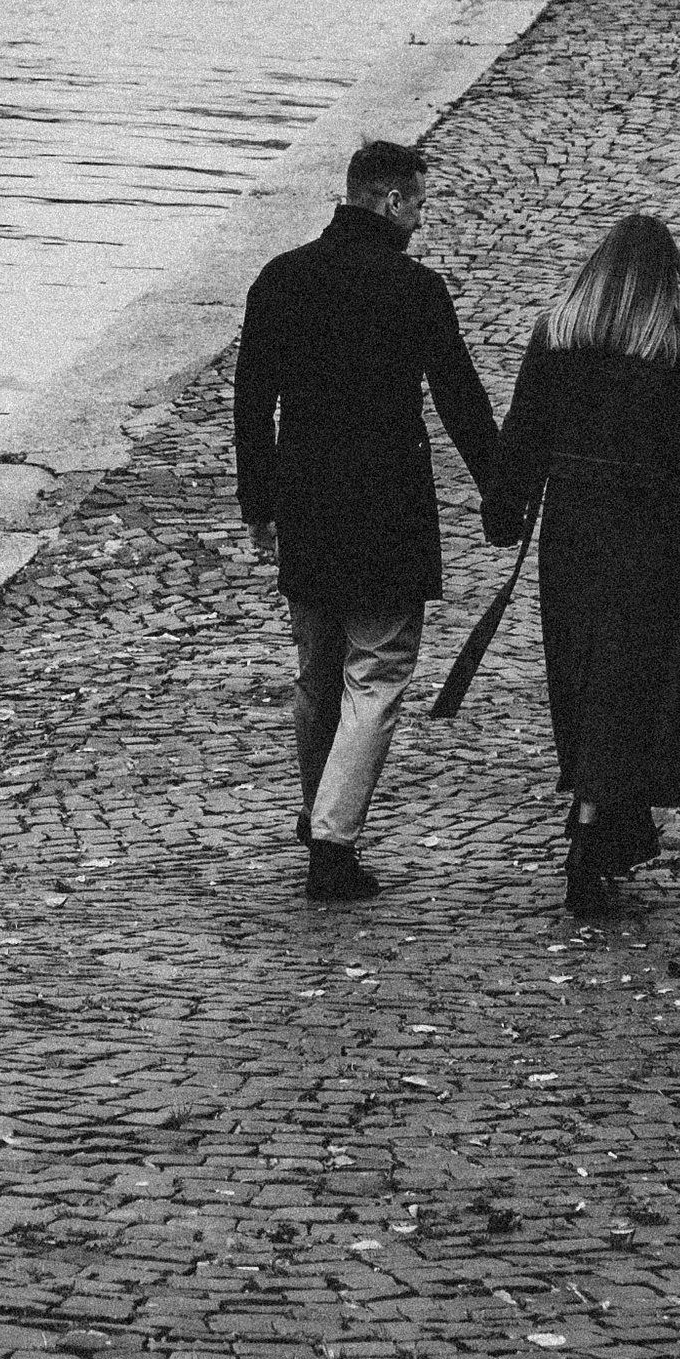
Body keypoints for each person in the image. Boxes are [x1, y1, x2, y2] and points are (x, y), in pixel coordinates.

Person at [235, 137, 502, 904]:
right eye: (418, 205)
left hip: (307, 501)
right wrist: (500, 490)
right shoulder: (415, 289)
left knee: (317, 671)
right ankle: (332, 841)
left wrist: (259, 504)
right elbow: (459, 398)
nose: (420, 220)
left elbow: (252, 402)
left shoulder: (281, 278)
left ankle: (319, 808)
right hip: (388, 507)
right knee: (377, 671)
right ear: (390, 201)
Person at [487, 213, 680, 918]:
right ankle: (594, 827)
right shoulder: (675, 347)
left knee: (582, 671)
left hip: (572, 528)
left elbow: (524, 429)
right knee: (630, 678)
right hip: (646, 533)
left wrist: (504, 508)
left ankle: (603, 820)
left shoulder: (557, 333)